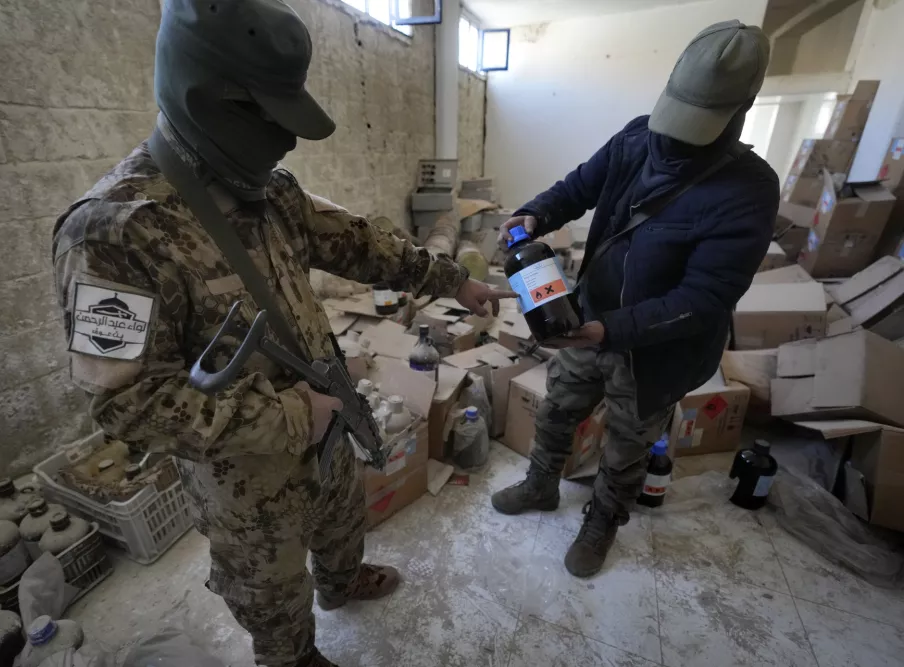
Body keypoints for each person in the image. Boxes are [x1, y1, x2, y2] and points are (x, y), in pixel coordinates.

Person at [51, 1, 513, 666]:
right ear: (211, 100)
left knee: (342, 517)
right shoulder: (114, 233)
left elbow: (360, 244)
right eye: (271, 119)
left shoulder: (270, 190)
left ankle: (342, 579)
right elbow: (128, 404)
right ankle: (294, 655)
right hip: (247, 478)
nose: (287, 142)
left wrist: (452, 280)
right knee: (272, 591)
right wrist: (294, 415)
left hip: (326, 421)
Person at [491, 20, 779, 578]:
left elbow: (707, 296)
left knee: (627, 445)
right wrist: (536, 213)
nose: (673, 140)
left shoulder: (750, 190)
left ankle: (602, 522)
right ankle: (541, 485)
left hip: (659, 349)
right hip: (590, 315)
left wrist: (611, 332)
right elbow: (578, 187)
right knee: (557, 410)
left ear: (740, 111)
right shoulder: (635, 138)